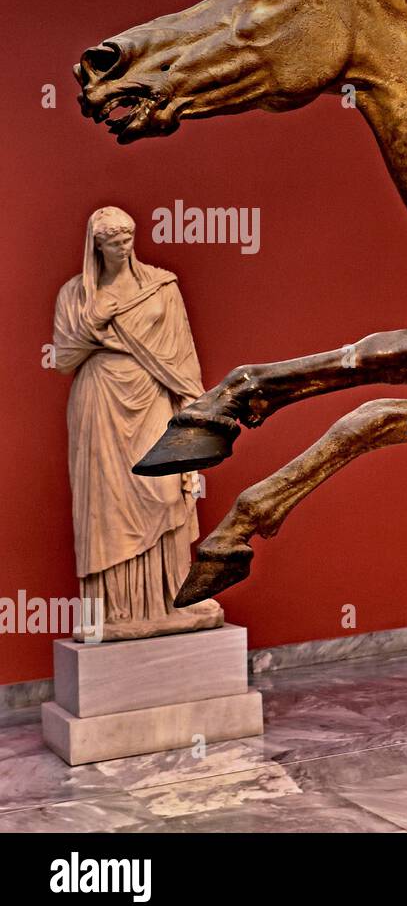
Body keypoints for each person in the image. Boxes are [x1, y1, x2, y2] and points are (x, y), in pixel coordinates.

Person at [53, 206, 221, 640]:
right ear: (97, 245)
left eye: (129, 237)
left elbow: (182, 354)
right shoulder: (76, 294)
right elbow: (62, 358)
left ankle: (172, 599)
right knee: (106, 505)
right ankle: (112, 610)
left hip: (151, 398)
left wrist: (197, 414)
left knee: (164, 488)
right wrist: (93, 321)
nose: (125, 246)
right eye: (115, 240)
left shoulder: (161, 287)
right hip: (99, 402)